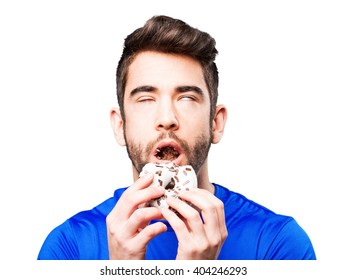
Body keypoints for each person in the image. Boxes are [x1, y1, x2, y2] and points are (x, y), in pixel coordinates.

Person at [38, 15, 316, 260]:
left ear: (216, 123)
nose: (167, 118)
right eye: (146, 98)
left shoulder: (278, 243)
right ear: (120, 126)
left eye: (186, 97)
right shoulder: (68, 248)